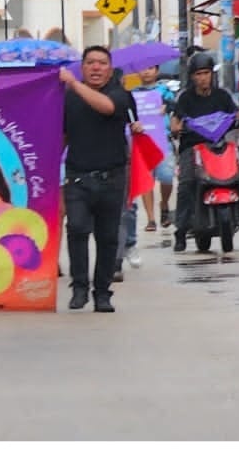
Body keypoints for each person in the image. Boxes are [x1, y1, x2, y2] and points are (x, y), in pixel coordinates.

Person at [60, 46, 142, 313]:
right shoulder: (67, 99)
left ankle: (103, 293)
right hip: (77, 177)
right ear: (82, 67)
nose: (96, 68)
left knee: (107, 238)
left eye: (101, 63)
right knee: (77, 230)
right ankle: (79, 288)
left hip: (112, 178)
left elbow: (106, 108)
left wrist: (72, 83)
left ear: (110, 68)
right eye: (90, 63)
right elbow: (62, 136)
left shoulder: (120, 94)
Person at [169, 52, 239, 253]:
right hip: (193, 148)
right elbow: (176, 119)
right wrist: (176, 127)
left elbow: (236, 114)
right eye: (198, 74)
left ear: (212, 74)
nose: (203, 78)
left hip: (219, 146)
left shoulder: (222, 96)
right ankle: (181, 230)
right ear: (192, 76)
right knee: (186, 184)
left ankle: (238, 209)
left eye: (206, 73)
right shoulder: (185, 98)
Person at [131, 64, 177, 231]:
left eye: (150, 68)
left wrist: (168, 107)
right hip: (142, 142)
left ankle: (164, 204)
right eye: (143, 68)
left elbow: (175, 105)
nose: (146, 71)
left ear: (157, 71)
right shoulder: (133, 94)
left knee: (167, 177)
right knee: (146, 181)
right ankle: (151, 219)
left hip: (162, 140)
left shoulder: (164, 91)